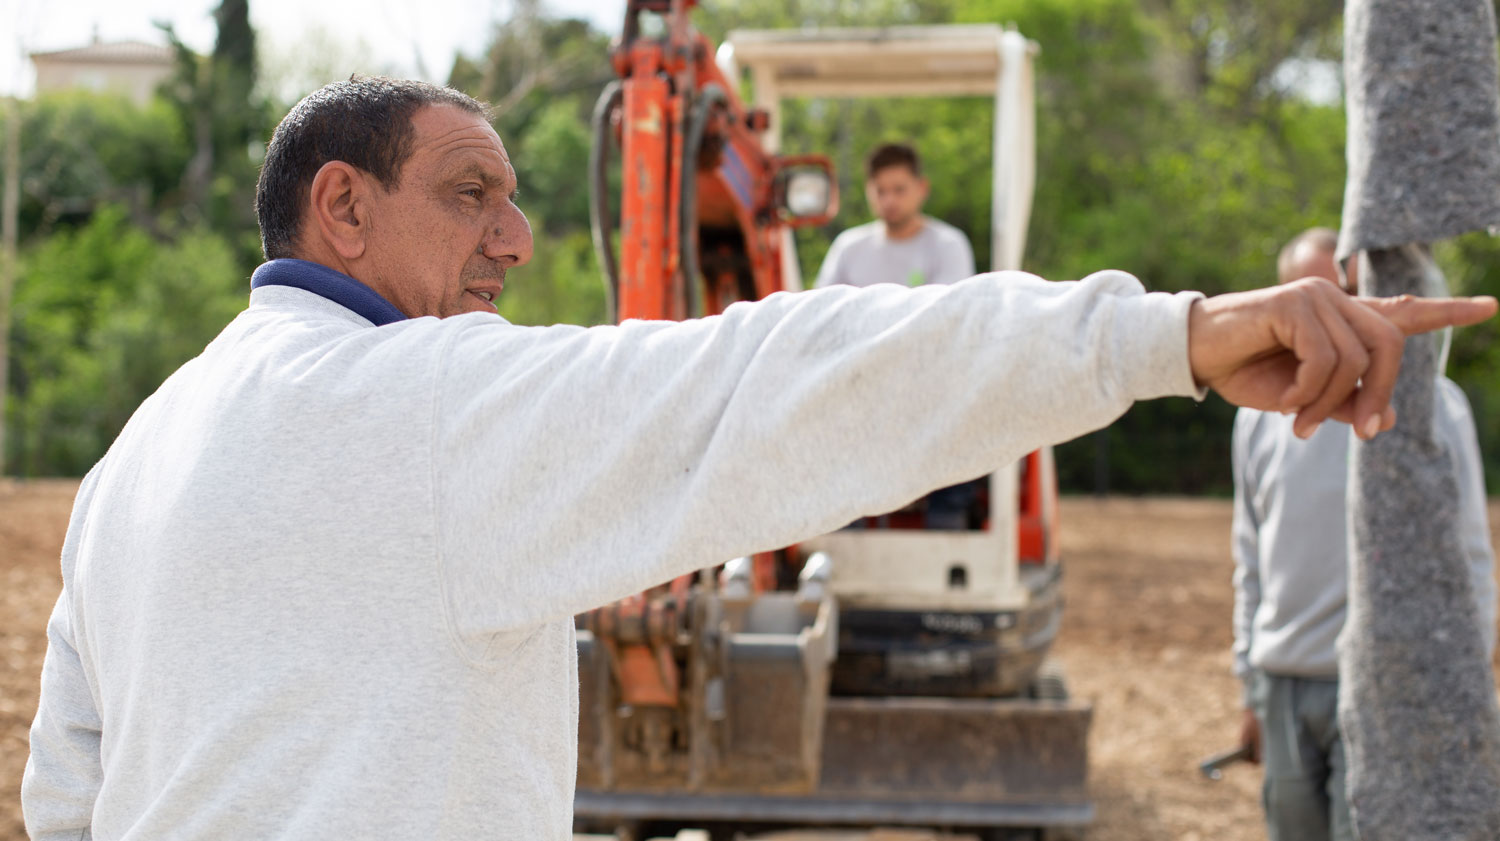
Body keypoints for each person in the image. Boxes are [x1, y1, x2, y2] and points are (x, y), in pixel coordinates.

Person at [20, 78, 1494, 841]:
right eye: (472, 194)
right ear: (340, 210)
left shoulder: (135, 463)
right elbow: (775, 377)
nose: (519, 240)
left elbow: (68, 804)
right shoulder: (423, 410)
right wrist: (1166, 336)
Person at [1230, 227, 1497, 841]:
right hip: (1285, 684)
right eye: (1307, 299)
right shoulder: (1255, 417)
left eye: (1342, 296)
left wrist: (1471, 683)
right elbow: (1249, 554)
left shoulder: (1436, 406)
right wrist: (1251, 684)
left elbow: (1470, 557)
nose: (1328, 318)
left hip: (1386, 686)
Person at [813, 142, 975, 289]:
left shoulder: (948, 245)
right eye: (880, 191)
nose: (889, 201)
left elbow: (950, 312)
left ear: (922, 188)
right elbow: (823, 307)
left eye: (899, 189)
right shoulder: (847, 246)